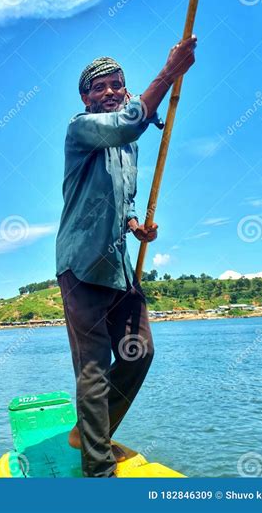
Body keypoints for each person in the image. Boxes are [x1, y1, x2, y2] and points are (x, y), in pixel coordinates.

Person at [55, 36, 197, 478]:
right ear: (86, 97)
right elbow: (130, 123)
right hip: (82, 266)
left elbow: (126, 199)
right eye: (101, 87)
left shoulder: (129, 149)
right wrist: (169, 72)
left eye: (118, 84)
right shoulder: (82, 128)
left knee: (138, 353)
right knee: (94, 367)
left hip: (118, 268)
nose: (112, 91)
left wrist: (137, 226)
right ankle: (99, 471)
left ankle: (90, 430)